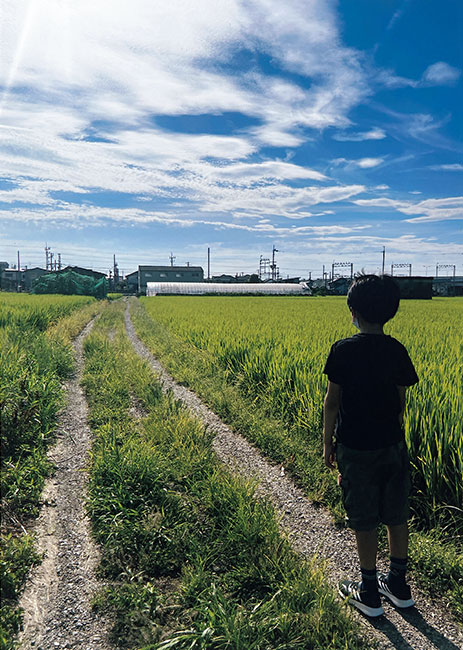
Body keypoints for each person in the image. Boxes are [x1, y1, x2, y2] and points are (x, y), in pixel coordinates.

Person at [322, 274, 418, 617]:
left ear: (353, 311)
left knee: (363, 517)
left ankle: (368, 591)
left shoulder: (343, 350)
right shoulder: (397, 350)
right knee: (396, 512)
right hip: (392, 444)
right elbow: (399, 400)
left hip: (355, 447)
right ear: (390, 311)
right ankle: (398, 584)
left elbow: (332, 402)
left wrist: (327, 444)